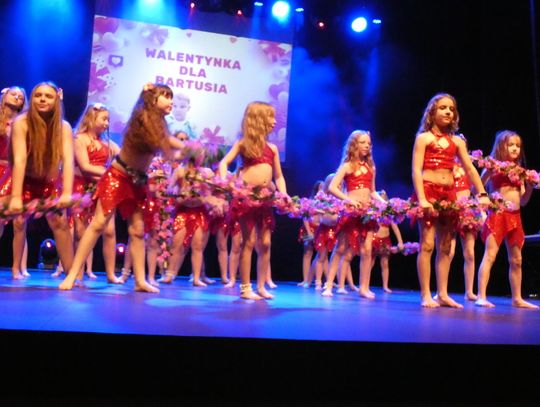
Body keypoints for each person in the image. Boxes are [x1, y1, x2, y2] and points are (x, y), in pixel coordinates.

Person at [59, 83, 184, 292]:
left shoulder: (161, 123)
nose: (171, 101)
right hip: (118, 177)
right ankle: (72, 275)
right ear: (153, 99)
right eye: (166, 96)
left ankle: (140, 281)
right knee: (98, 224)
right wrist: (190, 149)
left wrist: (188, 153)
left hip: (138, 181)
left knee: (137, 230)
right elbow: (164, 142)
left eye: (172, 97)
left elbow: (167, 147)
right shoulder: (143, 117)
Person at [411, 93, 489, 308]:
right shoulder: (423, 138)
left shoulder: (457, 141)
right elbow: (416, 170)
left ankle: (442, 294)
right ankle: (426, 295)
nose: (447, 112)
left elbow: (470, 169)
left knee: (445, 246)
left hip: (449, 195)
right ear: (432, 112)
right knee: (427, 245)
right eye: (443, 108)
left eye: (451, 109)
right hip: (428, 192)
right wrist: (422, 198)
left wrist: (482, 193)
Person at [5, 81, 75, 280]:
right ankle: (16, 268)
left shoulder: (64, 127)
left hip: (48, 182)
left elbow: (68, 161)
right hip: (24, 180)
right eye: (38, 95)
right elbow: (19, 160)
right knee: (19, 223)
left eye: (48, 96)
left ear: (56, 101)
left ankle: (71, 274)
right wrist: (16, 197)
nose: (42, 99)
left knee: (60, 223)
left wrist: (67, 193)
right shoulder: (22, 123)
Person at [218, 101, 288, 300]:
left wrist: (283, 194)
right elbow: (224, 163)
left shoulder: (273, 148)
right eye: (271, 117)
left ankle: (262, 286)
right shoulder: (243, 144)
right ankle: (246, 288)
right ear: (258, 119)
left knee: (265, 243)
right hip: (246, 200)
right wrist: (225, 182)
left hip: (265, 201)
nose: (275, 121)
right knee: (248, 242)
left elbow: (278, 176)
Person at [475, 130, 538, 309]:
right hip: (498, 215)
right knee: (490, 256)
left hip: (515, 217)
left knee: (517, 260)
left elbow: (523, 201)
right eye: (511, 145)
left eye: (518, 145)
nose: (515, 148)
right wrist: (483, 209)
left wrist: (530, 187)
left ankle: (517, 298)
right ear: (501, 147)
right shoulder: (493, 167)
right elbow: (477, 186)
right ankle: (481, 296)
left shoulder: (521, 172)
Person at [322, 130, 382, 299]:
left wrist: (384, 203)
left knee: (367, 249)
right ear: (354, 145)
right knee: (341, 247)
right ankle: (328, 285)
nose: (367, 146)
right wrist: (347, 200)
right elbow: (332, 187)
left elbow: (372, 191)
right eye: (363, 142)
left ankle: (364, 288)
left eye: (369, 143)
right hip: (350, 212)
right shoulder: (347, 166)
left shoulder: (371, 167)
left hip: (366, 213)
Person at [69, 102, 121, 284]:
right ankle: (78, 273)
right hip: (81, 189)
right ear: (91, 118)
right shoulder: (79, 139)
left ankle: (111, 274)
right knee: (81, 232)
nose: (107, 123)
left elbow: (124, 160)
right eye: (104, 119)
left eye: (108, 120)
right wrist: (110, 173)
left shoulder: (108, 144)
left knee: (110, 231)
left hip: (103, 189)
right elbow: (85, 166)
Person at [0, 86, 29, 279]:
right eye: (13, 94)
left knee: (19, 221)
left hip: (16, 172)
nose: (17, 97)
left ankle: (17, 267)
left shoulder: (24, 123)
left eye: (21, 96)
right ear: (3, 96)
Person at [449, 144, 478, 301]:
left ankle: (469, 291)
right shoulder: (447, 166)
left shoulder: (468, 168)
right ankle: (441, 290)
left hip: (467, 212)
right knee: (448, 252)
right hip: (451, 210)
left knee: (470, 253)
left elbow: (476, 189)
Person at [370, 190, 404, 293]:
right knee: (370, 263)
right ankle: (365, 284)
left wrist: (400, 241)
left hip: (385, 240)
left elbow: (395, 228)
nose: (383, 199)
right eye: (381, 197)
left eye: (384, 197)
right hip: (374, 239)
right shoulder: (374, 211)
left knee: (385, 263)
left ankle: (385, 286)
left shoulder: (389, 213)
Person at [297, 180, 324, 288]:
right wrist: (308, 231)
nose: (322, 189)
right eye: (320, 187)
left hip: (320, 228)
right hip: (309, 228)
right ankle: (305, 280)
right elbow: (305, 217)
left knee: (322, 255)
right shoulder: (310, 201)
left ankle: (326, 280)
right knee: (307, 253)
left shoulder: (326, 202)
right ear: (316, 189)